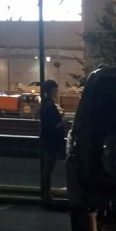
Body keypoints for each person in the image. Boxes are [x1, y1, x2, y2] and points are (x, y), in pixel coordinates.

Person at [39, 79, 66, 208]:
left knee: (47, 169)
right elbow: (52, 125)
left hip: (47, 140)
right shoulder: (50, 106)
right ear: (51, 90)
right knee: (48, 169)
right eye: (55, 90)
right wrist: (63, 124)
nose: (57, 92)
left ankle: (46, 194)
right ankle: (47, 196)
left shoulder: (45, 105)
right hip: (51, 141)